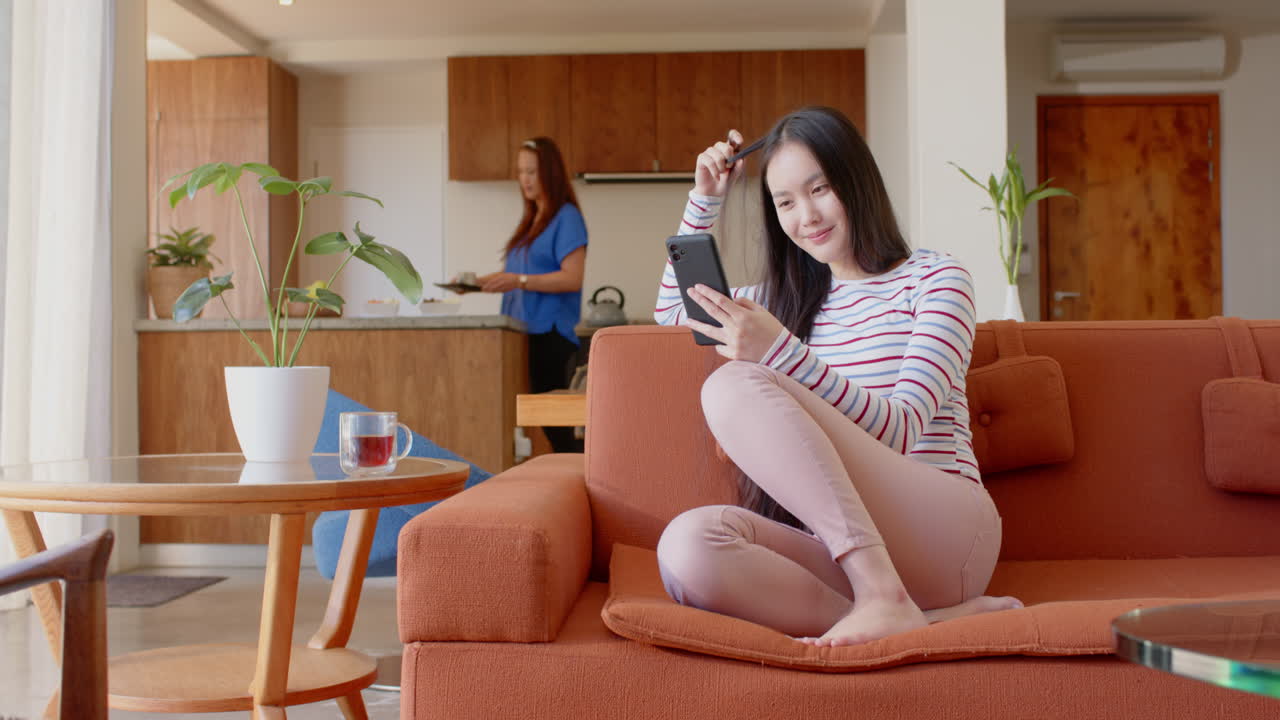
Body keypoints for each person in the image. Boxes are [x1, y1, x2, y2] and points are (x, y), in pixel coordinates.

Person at [652, 107, 1020, 648]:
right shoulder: (777, 303)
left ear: (856, 179)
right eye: (785, 202)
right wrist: (704, 198)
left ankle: (885, 597)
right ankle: (913, 616)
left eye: (819, 188)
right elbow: (670, 312)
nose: (807, 216)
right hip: (844, 548)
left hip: (946, 532)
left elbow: (901, 430)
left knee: (730, 385)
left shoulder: (935, 279)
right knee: (686, 547)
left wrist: (778, 351)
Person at [469, 137, 587, 453]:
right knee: (543, 426)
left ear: (550, 172)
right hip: (524, 333)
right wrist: (474, 283)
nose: (525, 179)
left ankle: (584, 485)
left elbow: (571, 278)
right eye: (521, 171)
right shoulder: (532, 220)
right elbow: (516, 274)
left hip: (550, 334)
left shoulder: (566, 217)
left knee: (556, 427)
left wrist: (518, 280)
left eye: (532, 171)